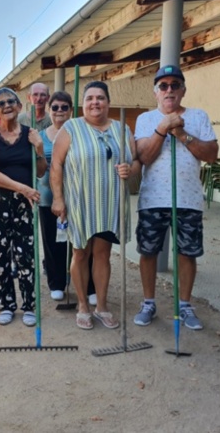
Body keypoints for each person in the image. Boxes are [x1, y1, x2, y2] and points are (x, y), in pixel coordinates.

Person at [133, 65, 219, 330]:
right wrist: (163, 127)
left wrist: (182, 134)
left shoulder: (198, 116)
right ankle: (149, 303)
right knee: (148, 251)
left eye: (174, 85)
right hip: (153, 199)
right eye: (163, 86)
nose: (169, 90)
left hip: (188, 198)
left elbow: (211, 154)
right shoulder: (145, 119)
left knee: (187, 253)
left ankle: (184, 305)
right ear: (155, 92)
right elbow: (144, 157)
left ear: (183, 90)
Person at [51, 81, 139, 330]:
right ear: (83, 104)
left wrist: (130, 169)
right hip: (80, 203)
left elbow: (137, 162)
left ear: (108, 102)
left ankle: (101, 306)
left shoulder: (122, 129)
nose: (95, 102)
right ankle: (82, 305)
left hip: (110, 203)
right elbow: (56, 164)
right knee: (80, 253)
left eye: (100, 98)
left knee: (103, 254)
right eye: (90, 98)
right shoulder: (70, 128)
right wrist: (58, 199)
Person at [0, 88, 46, 325]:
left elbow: (40, 171)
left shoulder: (31, 134)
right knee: (0, 254)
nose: (6, 105)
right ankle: (7, 303)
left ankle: (29, 305)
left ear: (19, 106)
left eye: (11, 101)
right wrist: (22, 188)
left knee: (26, 255)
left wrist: (39, 150)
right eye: (0, 103)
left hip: (23, 204)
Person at [36, 91, 73, 301]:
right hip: (48, 196)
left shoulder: (77, 132)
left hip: (74, 195)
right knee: (52, 241)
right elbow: (37, 168)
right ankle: (56, 281)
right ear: (49, 110)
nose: (59, 111)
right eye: (55, 107)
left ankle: (75, 277)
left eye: (64, 107)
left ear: (71, 110)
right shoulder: (41, 137)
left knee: (75, 240)